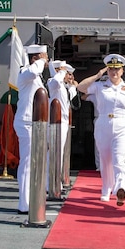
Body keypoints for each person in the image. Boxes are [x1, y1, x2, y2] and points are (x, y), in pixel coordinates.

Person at [77, 54, 125, 206]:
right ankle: (106, 188)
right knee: (105, 160)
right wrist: (98, 75)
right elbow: (80, 87)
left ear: (122, 71)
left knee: (119, 159)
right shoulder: (99, 86)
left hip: (122, 124)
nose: (114, 72)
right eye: (111, 69)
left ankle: (121, 188)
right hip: (103, 122)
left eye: (117, 69)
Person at [13, 44, 49, 214]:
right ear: (36, 58)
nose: (47, 61)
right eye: (44, 57)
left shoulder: (37, 76)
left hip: (35, 124)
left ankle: (32, 199)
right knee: (27, 164)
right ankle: (24, 203)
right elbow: (33, 71)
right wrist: (41, 61)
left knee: (34, 163)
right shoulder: (26, 72)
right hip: (26, 123)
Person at [46, 60, 75, 190]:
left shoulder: (63, 86)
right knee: (55, 153)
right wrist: (61, 72)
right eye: (66, 73)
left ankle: (55, 182)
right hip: (55, 122)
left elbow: (71, 98)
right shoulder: (53, 83)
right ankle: (51, 184)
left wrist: (72, 86)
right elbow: (55, 81)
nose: (69, 76)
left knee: (58, 153)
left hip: (62, 122)